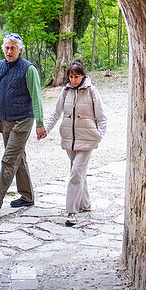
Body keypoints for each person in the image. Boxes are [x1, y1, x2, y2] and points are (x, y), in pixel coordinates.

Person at [0, 33, 46, 215]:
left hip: (23, 120)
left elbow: (36, 98)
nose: (9, 51)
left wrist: (40, 123)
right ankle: (27, 197)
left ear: (19, 49)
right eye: (7, 48)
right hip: (5, 120)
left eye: (13, 48)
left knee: (8, 159)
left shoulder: (28, 69)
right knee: (17, 157)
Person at [41, 59, 106, 217]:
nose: (73, 79)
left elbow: (102, 117)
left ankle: (71, 211)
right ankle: (85, 204)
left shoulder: (92, 91)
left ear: (83, 76)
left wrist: (98, 136)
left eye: (76, 76)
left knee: (76, 172)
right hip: (69, 140)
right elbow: (56, 114)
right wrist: (46, 129)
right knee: (78, 172)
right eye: (71, 76)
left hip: (88, 139)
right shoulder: (65, 92)